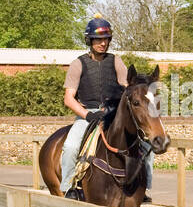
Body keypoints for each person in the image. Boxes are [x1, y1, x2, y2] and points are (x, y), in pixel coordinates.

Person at [59, 16, 153, 196]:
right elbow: (68, 99)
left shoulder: (116, 61)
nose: (103, 43)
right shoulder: (77, 64)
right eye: (98, 39)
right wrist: (88, 115)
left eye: (106, 39)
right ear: (89, 40)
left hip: (112, 113)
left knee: (146, 146)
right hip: (88, 114)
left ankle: (145, 188)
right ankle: (68, 187)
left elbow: (128, 88)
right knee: (70, 147)